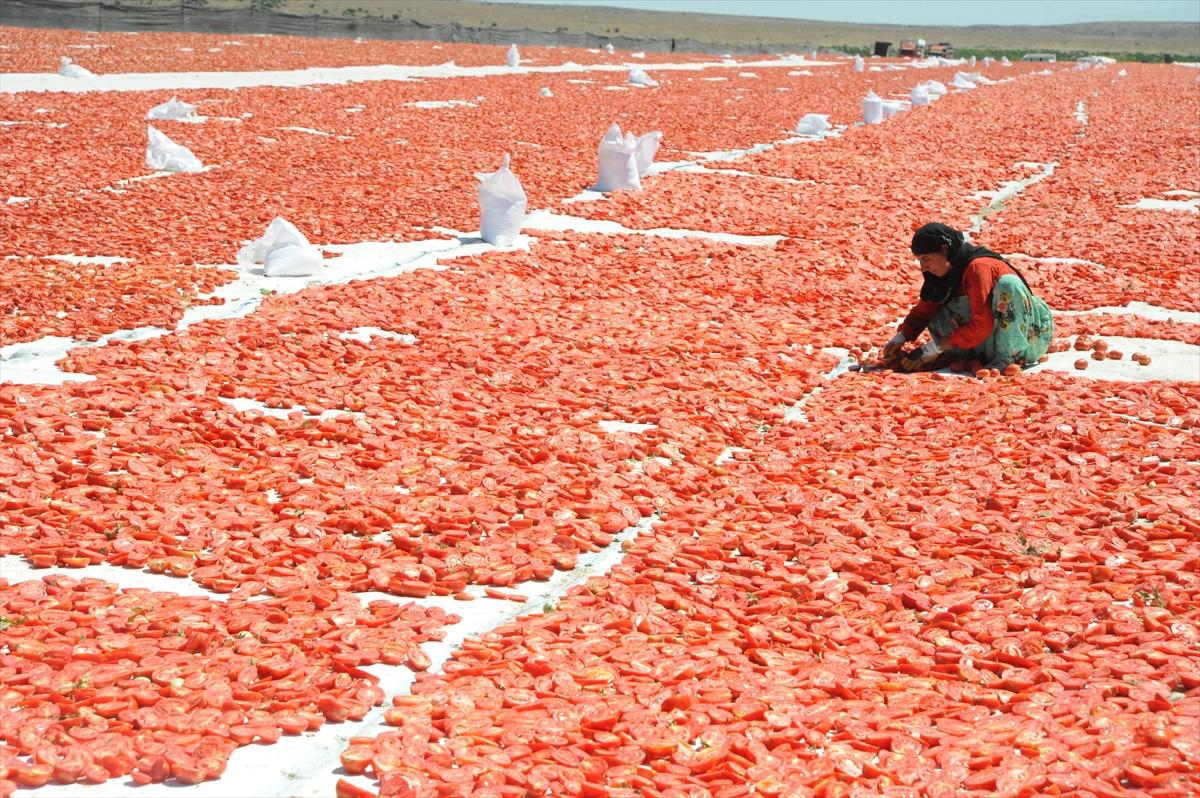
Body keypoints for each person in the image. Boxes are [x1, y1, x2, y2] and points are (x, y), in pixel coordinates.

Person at [882, 222, 1053, 372]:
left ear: (945, 249)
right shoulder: (941, 275)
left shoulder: (978, 267)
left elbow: (982, 324)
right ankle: (967, 355)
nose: (923, 267)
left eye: (926, 259)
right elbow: (923, 311)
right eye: (919, 260)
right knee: (937, 298)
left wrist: (933, 348)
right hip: (982, 343)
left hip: (1022, 341)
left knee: (1008, 285)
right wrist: (901, 337)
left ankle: (1007, 357)